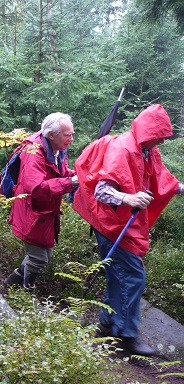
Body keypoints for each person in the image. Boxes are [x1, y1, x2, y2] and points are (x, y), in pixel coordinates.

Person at [73, 104, 184, 356]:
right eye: (161, 135)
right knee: (133, 276)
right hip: (109, 222)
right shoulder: (122, 149)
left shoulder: (147, 150)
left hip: (124, 222)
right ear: (149, 131)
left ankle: (107, 325)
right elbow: (102, 191)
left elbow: (162, 179)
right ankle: (126, 336)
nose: (163, 141)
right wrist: (128, 198)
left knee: (118, 275)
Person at [3, 113, 78, 289]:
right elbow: (36, 188)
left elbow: (61, 172)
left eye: (72, 134)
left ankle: (12, 283)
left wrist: (77, 176)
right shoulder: (34, 152)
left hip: (44, 211)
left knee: (45, 253)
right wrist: (70, 183)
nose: (72, 139)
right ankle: (26, 292)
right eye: (67, 135)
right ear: (51, 134)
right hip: (31, 210)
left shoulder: (57, 148)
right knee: (39, 257)